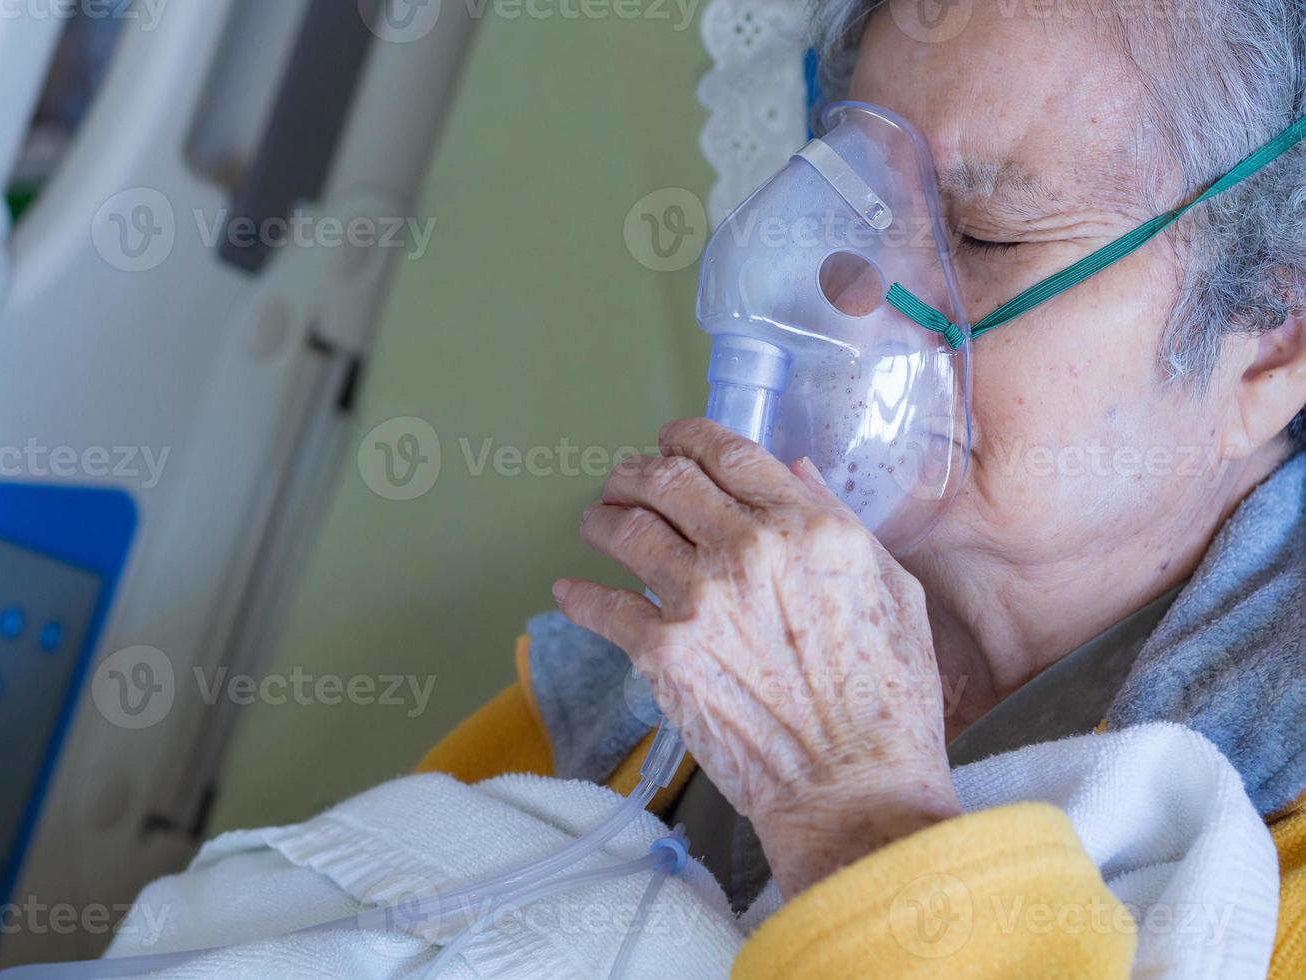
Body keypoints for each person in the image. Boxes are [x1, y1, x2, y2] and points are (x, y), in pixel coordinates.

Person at [419, 0, 1306, 975]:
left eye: (981, 235)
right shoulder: (636, 685)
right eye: (856, 207)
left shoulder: (1280, 858)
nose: (847, 291)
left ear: (1272, 341)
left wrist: (849, 808)